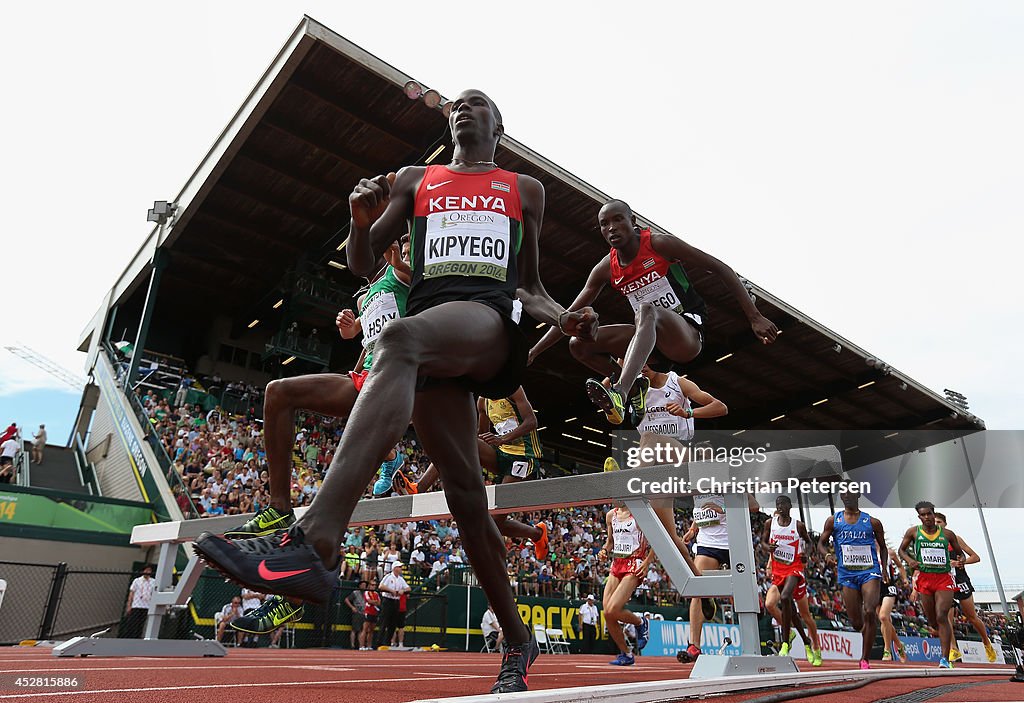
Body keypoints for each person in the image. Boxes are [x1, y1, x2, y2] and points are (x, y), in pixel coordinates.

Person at [194, 89, 598, 694]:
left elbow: (531, 285)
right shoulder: (416, 180)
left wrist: (563, 316)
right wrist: (358, 222)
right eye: (455, 105)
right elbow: (361, 262)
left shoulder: (523, 189)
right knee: (464, 495)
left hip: (486, 323)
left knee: (400, 339)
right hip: (432, 338)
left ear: (498, 124)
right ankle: (518, 638)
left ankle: (317, 542)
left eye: (477, 103)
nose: (463, 108)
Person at [529, 199, 777, 427]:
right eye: (604, 224)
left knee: (647, 310)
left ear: (632, 221)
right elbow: (567, 316)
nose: (611, 228)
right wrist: (533, 352)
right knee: (578, 344)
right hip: (649, 342)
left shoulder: (660, 244)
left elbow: (720, 268)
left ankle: (621, 392)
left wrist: (754, 316)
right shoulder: (606, 268)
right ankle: (635, 387)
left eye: (618, 220)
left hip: (686, 333)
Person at [400, 386, 549, 559]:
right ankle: (419, 487)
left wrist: (502, 439)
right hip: (502, 453)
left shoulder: (512, 389)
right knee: (460, 440)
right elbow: (481, 435)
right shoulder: (482, 401)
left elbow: (531, 422)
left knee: (494, 523)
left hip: (524, 456)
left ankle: (537, 534)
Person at [678, 490, 759, 663]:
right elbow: (702, 509)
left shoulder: (728, 481)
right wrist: (693, 529)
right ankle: (694, 646)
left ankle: (753, 647)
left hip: (734, 544)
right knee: (696, 589)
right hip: (707, 545)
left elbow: (754, 506)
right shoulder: (695, 485)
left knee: (742, 592)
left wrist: (723, 507)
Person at [819, 488, 887, 670]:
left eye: (851, 493)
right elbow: (821, 544)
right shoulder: (834, 521)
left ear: (858, 495)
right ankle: (868, 631)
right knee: (857, 623)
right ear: (841, 496)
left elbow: (883, 547)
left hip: (869, 571)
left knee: (870, 611)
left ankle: (865, 659)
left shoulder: (872, 522)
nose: (847, 496)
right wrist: (827, 556)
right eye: (844, 494)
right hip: (847, 573)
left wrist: (885, 569)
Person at [899, 502, 963, 669]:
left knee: (942, 615)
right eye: (923, 515)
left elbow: (960, 553)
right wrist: (910, 560)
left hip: (944, 579)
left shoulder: (947, 534)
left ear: (934, 514)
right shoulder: (913, 532)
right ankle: (939, 633)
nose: (926, 517)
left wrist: (961, 561)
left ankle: (945, 658)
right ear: (919, 517)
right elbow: (901, 550)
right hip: (925, 579)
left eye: (929, 514)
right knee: (933, 622)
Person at [760, 496, 822, 666]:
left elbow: (810, 544)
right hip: (779, 572)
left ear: (789, 507)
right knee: (771, 604)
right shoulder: (769, 524)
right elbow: (763, 543)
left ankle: (815, 645)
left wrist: (805, 554)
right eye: (777, 504)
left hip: (795, 570)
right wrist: (768, 549)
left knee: (805, 615)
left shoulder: (798, 525)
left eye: (783, 504)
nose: (780, 507)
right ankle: (796, 638)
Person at [933, 513, 998, 663]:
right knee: (945, 617)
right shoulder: (930, 542)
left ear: (945, 524)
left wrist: (962, 563)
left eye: (940, 521)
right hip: (944, 581)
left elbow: (976, 557)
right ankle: (953, 650)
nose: (937, 524)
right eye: (934, 521)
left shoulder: (955, 539)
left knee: (971, 617)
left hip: (961, 581)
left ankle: (986, 642)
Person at [598, 503, 652, 666]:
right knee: (607, 613)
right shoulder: (611, 516)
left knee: (613, 608)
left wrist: (648, 562)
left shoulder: (640, 513)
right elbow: (610, 541)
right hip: (617, 564)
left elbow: (658, 540)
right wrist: (604, 551)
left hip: (634, 563)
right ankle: (626, 654)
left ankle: (640, 622)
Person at [878, 547, 909, 662]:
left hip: (888, 585)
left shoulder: (889, 552)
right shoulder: (867, 551)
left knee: (883, 616)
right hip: (874, 587)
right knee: (885, 621)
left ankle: (887, 650)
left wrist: (904, 578)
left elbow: (900, 566)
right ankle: (899, 645)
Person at [377, 562, 411, 648]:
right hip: (388, 600)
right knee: (384, 622)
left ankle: (387, 642)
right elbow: (381, 586)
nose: (401, 568)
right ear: (395, 568)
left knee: (393, 624)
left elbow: (408, 588)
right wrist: (391, 590)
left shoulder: (400, 579)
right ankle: (379, 642)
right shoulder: (388, 577)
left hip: (396, 602)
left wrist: (403, 591)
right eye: (399, 567)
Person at [123, 564, 155, 639]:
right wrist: (129, 605)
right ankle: (129, 637)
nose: (147, 572)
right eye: (146, 570)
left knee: (141, 624)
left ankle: (137, 638)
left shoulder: (153, 581)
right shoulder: (137, 581)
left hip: (146, 605)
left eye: (149, 570)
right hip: (136, 605)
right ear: (143, 571)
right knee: (133, 623)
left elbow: (154, 593)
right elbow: (132, 593)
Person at [345, 580, 368, 650]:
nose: (364, 586)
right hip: (357, 612)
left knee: (361, 630)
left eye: (365, 585)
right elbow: (346, 599)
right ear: (359, 585)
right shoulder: (355, 592)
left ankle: (360, 645)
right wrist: (352, 607)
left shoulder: (366, 593)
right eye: (362, 584)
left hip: (365, 612)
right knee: (354, 629)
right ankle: (352, 644)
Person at [362, 578, 381, 650]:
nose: (374, 586)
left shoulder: (376, 593)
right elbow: (369, 601)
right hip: (368, 611)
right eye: (372, 585)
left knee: (371, 630)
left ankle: (369, 645)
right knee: (365, 629)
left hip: (374, 612)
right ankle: (362, 646)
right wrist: (374, 602)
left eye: (375, 585)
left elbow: (379, 602)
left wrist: (374, 602)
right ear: (369, 586)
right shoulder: (367, 592)